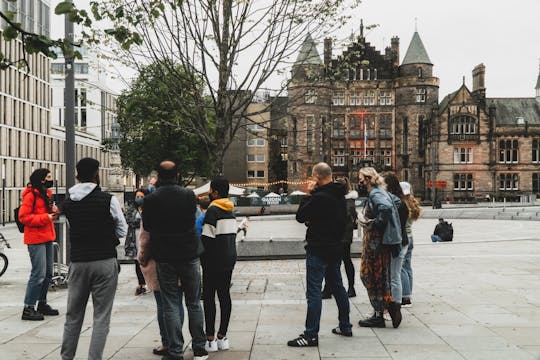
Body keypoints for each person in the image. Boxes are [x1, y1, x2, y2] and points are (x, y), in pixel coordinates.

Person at [60, 158, 128, 360]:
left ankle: (66, 357)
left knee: (73, 316)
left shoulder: (68, 202)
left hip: (78, 261)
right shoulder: (108, 199)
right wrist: (110, 242)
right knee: (101, 317)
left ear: (77, 175)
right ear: (97, 174)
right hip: (104, 260)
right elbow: (122, 228)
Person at [141, 161, 208, 360]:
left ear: (159, 175)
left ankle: (175, 350)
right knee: (194, 302)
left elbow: (148, 225)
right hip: (188, 253)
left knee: (170, 302)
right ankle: (199, 347)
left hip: (165, 255)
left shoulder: (151, 199)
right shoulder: (188, 195)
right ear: (177, 174)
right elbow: (192, 220)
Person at [287, 162, 352, 347]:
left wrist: (309, 193)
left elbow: (300, 216)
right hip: (335, 248)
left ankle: (310, 334)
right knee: (338, 287)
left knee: (314, 292)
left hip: (318, 248)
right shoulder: (340, 194)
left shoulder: (319, 197)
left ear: (317, 176)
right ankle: (345, 325)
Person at [357, 167, 401, 328]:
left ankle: (381, 312)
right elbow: (396, 202)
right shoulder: (380, 191)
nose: (360, 183)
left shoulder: (376, 193)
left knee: (370, 276)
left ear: (368, 179)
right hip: (379, 242)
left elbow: (387, 208)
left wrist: (373, 223)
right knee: (380, 277)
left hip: (375, 243)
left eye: (361, 179)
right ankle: (386, 306)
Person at [200, 177, 237, 352]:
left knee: (208, 297)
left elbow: (207, 240)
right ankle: (223, 336)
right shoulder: (230, 209)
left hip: (212, 261)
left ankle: (210, 338)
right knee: (224, 296)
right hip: (229, 259)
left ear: (215, 192)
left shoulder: (213, 211)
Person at [18, 168, 59, 321]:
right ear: (42, 179)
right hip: (35, 239)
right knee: (38, 274)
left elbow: (48, 215)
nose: (51, 180)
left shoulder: (47, 194)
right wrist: (46, 217)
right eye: (48, 177)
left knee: (48, 273)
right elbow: (24, 217)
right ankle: (28, 307)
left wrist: (54, 211)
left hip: (48, 236)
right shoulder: (30, 195)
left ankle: (42, 303)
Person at [138, 223, 184, 356]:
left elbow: (145, 240)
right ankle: (177, 343)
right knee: (177, 303)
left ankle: (167, 343)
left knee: (162, 305)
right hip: (180, 260)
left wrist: (141, 258)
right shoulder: (183, 205)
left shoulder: (151, 207)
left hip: (157, 261)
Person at [322, 177, 358, 299]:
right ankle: (350, 288)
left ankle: (329, 289)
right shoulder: (349, 201)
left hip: (339, 235)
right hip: (346, 235)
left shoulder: (342, 201)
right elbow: (354, 219)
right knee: (344, 261)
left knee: (333, 262)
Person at [383, 172, 408, 328]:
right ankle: (393, 305)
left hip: (396, 242)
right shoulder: (400, 202)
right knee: (394, 275)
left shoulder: (395, 203)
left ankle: (395, 306)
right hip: (400, 241)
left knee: (394, 276)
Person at [399, 182, 421, 307]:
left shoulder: (403, 205)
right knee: (407, 267)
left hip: (404, 237)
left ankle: (405, 297)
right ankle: (408, 293)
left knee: (401, 267)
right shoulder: (412, 204)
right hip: (411, 236)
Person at [126, 188, 148, 296]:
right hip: (134, 237)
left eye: (141, 197)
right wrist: (141, 221)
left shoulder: (149, 209)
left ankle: (148, 281)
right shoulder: (131, 208)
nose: (139, 199)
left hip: (145, 237)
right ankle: (141, 284)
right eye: (137, 196)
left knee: (146, 260)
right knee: (137, 261)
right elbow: (129, 220)